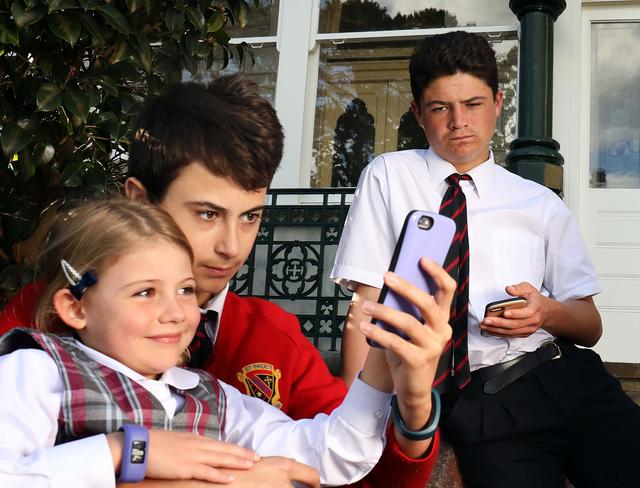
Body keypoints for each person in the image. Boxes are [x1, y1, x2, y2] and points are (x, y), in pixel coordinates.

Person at [0, 76, 442, 487]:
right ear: (139, 200)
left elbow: (342, 458)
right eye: (207, 214)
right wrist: (136, 455)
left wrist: (393, 377)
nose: (232, 246)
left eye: (250, 217)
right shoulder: (36, 348)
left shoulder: (230, 379)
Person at [331, 31, 640, 488]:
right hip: (481, 401)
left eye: (474, 104)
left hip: (566, 375)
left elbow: (590, 325)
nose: (459, 121)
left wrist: (547, 310)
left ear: (498, 103)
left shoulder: (539, 203)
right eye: (441, 108)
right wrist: (352, 427)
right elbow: (367, 308)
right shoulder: (389, 176)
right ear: (419, 114)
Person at [0, 198, 454, 487]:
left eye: (185, 290)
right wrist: (128, 452)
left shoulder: (211, 397)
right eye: (144, 292)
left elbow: (334, 455)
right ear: (75, 307)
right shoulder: (38, 371)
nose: (175, 312)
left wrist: (381, 365)